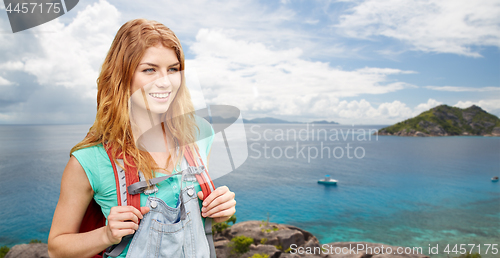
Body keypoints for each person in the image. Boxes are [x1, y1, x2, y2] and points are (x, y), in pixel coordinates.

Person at [48, 18, 236, 258]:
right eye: (149, 69)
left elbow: (194, 223)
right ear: (123, 76)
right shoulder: (88, 160)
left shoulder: (201, 133)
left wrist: (219, 210)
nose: (165, 82)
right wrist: (105, 235)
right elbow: (56, 248)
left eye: (173, 69)